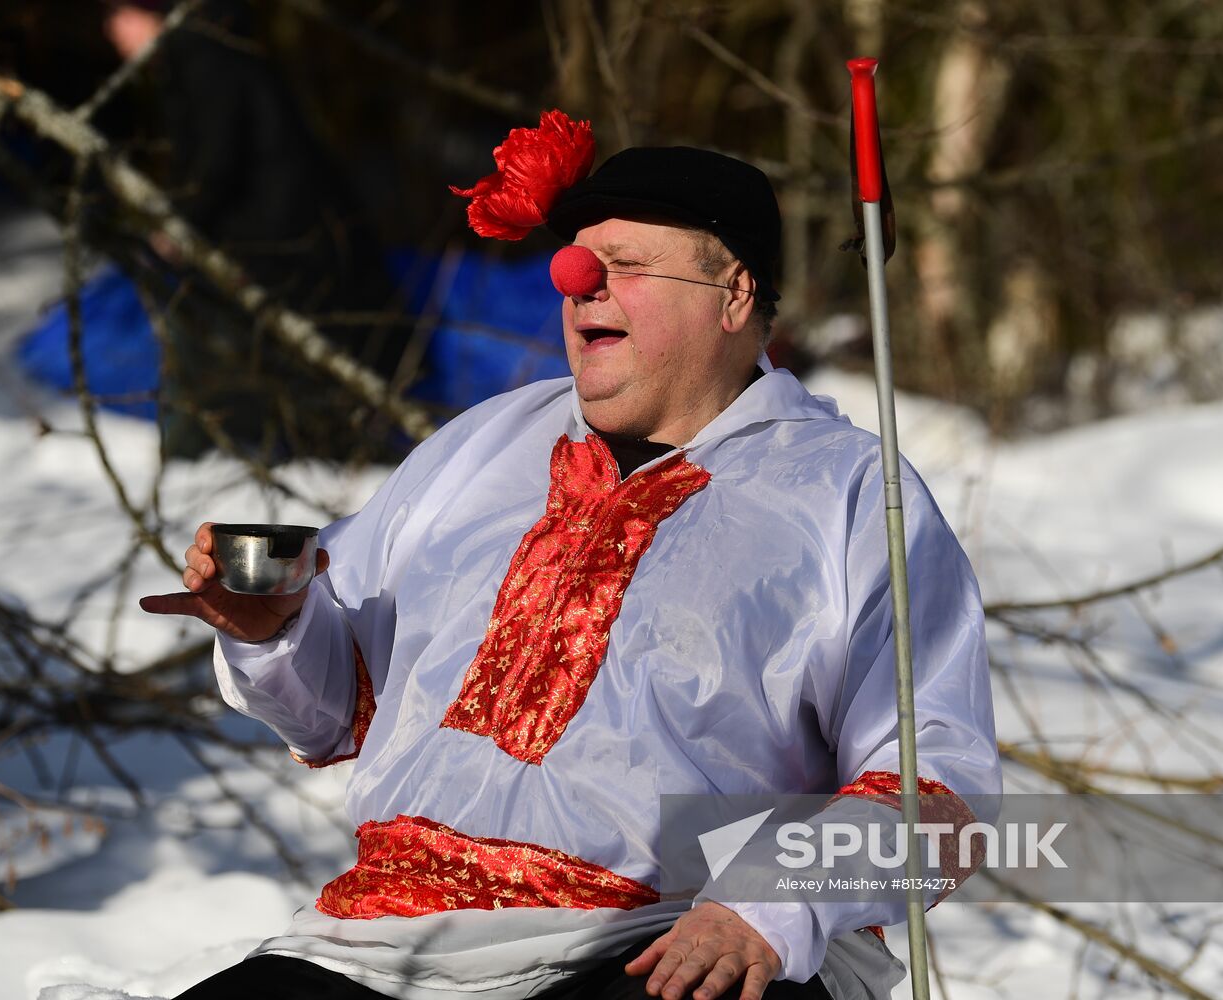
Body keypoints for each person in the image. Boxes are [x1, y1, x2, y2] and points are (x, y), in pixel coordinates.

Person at [141, 115, 1001, 1000]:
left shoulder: (846, 493)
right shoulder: (480, 444)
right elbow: (338, 709)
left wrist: (767, 906)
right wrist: (273, 631)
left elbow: (940, 793)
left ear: (734, 293)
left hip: (668, 944)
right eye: (578, 265)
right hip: (385, 944)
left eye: (625, 265)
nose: (581, 286)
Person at [103, 0, 403, 460]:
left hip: (280, 235)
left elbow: (216, 159)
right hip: (283, 230)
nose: (113, 35)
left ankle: (212, 445)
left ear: (143, 13)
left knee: (279, 346)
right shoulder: (210, 44)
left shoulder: (200, 56)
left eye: (117, 18)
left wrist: (179, 224)